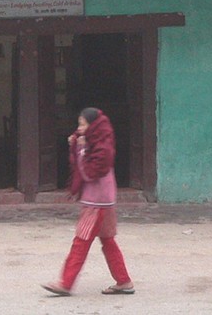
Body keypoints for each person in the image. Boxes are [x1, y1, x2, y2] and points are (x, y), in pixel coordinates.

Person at [41, 107, 134, 297]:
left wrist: (80, 149)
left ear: (93, 126)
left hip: (96, 203)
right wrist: (77, 142)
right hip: (105, 201)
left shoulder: (98, 148)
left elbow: (89, 173)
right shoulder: (100, 140)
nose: (79, 128)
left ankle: (65, 283)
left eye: (82, 124)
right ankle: (124, 281)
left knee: (81, 241)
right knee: (108, 241)